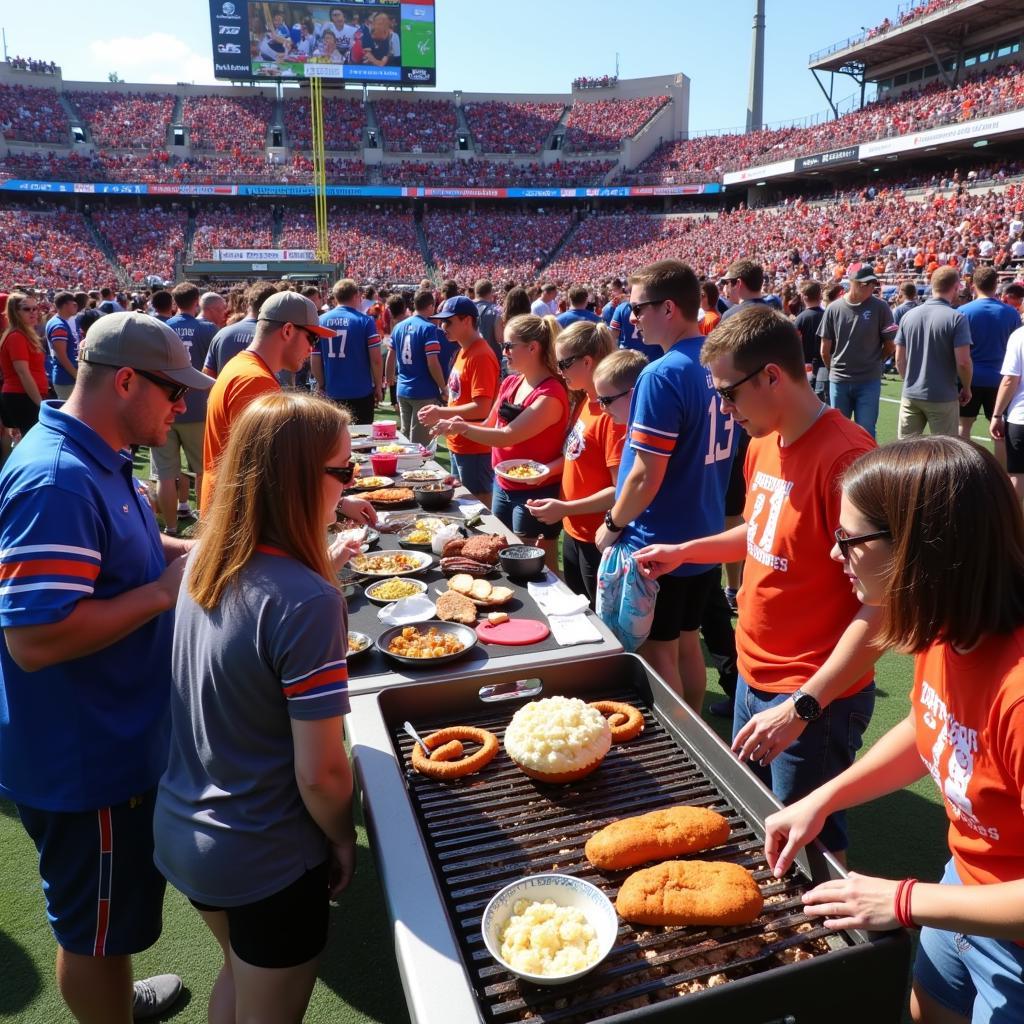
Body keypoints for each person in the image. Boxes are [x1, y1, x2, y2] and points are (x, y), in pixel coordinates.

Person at [764, 437, 1024, 1024]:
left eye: (850, 540)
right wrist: (822, 799)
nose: (836, 556)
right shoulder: (947, 624)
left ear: (921, 549)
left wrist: (903, 899)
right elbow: (930, 725)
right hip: (962, 891)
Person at [0, 312, 214, 1023]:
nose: (180, 407)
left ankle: (116, 999)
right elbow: (35, 637)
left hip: (112, 734)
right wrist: (159, 595)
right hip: (82, 754)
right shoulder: (57, 478)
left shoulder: (94, 452)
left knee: (110, 914)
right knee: (90, 932)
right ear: (125, 380)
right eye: (171, 392)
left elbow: (132, 543)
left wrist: (199, 551)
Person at [634, 306, 878, 864]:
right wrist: (685, 552)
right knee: (758, 813)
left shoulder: (849, 460)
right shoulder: (762, 441)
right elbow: (760, 532)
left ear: (772, 375)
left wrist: (804, 706)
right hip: (753, 673)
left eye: (729, 392)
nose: (722, 407)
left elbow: (883, 609)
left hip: (813, 695)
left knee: (809, 841)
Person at [154, 391, 361, 1024]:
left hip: (185, 831)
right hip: (264, 852)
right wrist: (344, 836)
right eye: (344, 472)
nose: (350, 488)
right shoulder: (306, 601)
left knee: (238, 980)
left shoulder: (203, 560)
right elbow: (320, 773)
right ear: (301, 480)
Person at [595, 260, 736, 712]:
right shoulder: (716, 361)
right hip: (704, 529)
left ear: (669, 308)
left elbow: (644, 474)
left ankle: (683, 739)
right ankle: (698, 733)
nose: (631, 317)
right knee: (688, 642)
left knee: (659, 652)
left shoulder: (661, 373)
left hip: (661, 539)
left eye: (638, 308)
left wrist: (612, 522)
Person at [430, 311, 569, 569]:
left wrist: (459, 427)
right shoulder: (512, 382)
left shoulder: (550, 393)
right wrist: (454, 426)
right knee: (505, 555)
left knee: (539, 566)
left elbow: (508, 435)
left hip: (535, 491)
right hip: (503, 485)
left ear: (533, 347)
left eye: (508, 346)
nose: (503, 351)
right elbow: (489, 426)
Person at [202, 292, 332, 513]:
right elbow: (267, 471)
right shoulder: (255, 380)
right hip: (236, 516)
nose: (312, 349)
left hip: (227, 508)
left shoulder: (245, 367)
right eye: (312, 338)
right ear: (288, 330)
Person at [526, 321, 625, 605]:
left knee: (602, 623)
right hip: (573, 530)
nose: (560, 372)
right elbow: (576, 458)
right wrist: (546, 472)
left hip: (597, 536)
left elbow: (619, 491)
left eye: (565, 364)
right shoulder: (586, 401)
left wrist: (565, 508)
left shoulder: (611, 415)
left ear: (587, 361)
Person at [418, 296, 501, 506]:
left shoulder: (480, 354)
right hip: (461, 443)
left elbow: (482, 407)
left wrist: (440, 412)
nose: (442, 326)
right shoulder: (464, 350)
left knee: (477, 508)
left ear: (467, 320)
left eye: (448, 321)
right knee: (464, 505)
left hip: (474, 447)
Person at [154, 283, 216, 535]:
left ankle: (170, 528)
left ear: (173, 302)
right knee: (203, 470)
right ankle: (203, 525)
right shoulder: (208, 329)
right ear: (197, 301)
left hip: (164, 406)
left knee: (165, 474)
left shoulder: (160, 327)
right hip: (197, 406)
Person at [818, 265, 897, 439]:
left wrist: (876, 362)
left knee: (864, 433)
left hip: (864, 379)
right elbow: (824, 349)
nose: (870, 287)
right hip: (844, 379)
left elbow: (890, 345)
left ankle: (866, 467)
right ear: (854, 283)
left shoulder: (880, 307)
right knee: (842, 432)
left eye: (872, 283)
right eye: (866, 283)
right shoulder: (834, 308)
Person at [896, 266, 973, 439]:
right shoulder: (956, 318)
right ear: (955, 287)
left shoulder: (908, 316)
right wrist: (966, 388)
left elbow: (899, 359)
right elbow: (963, 362)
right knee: (944, 454)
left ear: (932, 285)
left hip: (911, 394)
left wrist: (909, 381)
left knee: (905, 452)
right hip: (942, 396)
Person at [958, 266, 1023, 466]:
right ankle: (1002, 476)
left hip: (971, 378)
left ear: (973, 285)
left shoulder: (962, 311)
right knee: (1000, 431)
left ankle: (964, 471)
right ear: (996, 285)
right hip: (1000, 380)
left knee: (964, 426)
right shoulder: (1011, 313)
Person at [313, 279, 383, 425]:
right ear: (356, 295)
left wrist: (321, 384)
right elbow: (376, 359)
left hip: (332, 392)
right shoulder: (365, 321)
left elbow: (315, 359)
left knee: (334, 442)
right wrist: (378, 385)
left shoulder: (320, 321)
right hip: (361, 392)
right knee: (363, 443)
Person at [392, 290, 447, 445]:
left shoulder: (399, 327)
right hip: (423, 390)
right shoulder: (428, 328)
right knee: (420, 443)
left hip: (403, 388)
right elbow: (432, 362)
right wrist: (443, 386)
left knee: (405, 438)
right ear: (431, 306)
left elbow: (391, 356)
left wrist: (390, 377)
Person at [204, 282, 278, 379]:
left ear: (248, 303)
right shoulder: (275, 337)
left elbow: (207, 375)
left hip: (226, 392)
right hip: (264, 392)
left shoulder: (222, 334)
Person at [0, 292, 47, 435]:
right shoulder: (17, 337)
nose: (33, 312)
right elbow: (23, 373)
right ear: (15, 312)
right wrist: (40, 404)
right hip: (23, 397)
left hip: (27, 396)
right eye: (27, 309)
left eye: (35, 308)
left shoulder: (25, 334)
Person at [990, 318, 1024, 501]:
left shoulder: (1019, 336)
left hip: (1021, 416)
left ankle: (1014, 526)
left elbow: (1011, 379)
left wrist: (997, 414)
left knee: (1018, 475)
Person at [794, 280, 827, 404]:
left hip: (805, 363)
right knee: (821, 395)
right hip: (824, 362)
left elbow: (794, 343)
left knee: (805, 397)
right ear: (819, 296)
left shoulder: (801, 318)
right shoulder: (826, 315)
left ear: (803, 296)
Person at [45, 290, 81, 401]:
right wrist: (77, 375)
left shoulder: (62, 322)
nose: (76, 307)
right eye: (74, 304)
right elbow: (61, 356)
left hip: (67, 377)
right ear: (65, 305)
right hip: (66, 379)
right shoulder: (58, 326)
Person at [474, 279, 504, 366]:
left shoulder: (466, 307)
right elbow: (500, 338)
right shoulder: (497, 310)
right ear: (490, 292)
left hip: (470, 356)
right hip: (491, 358)